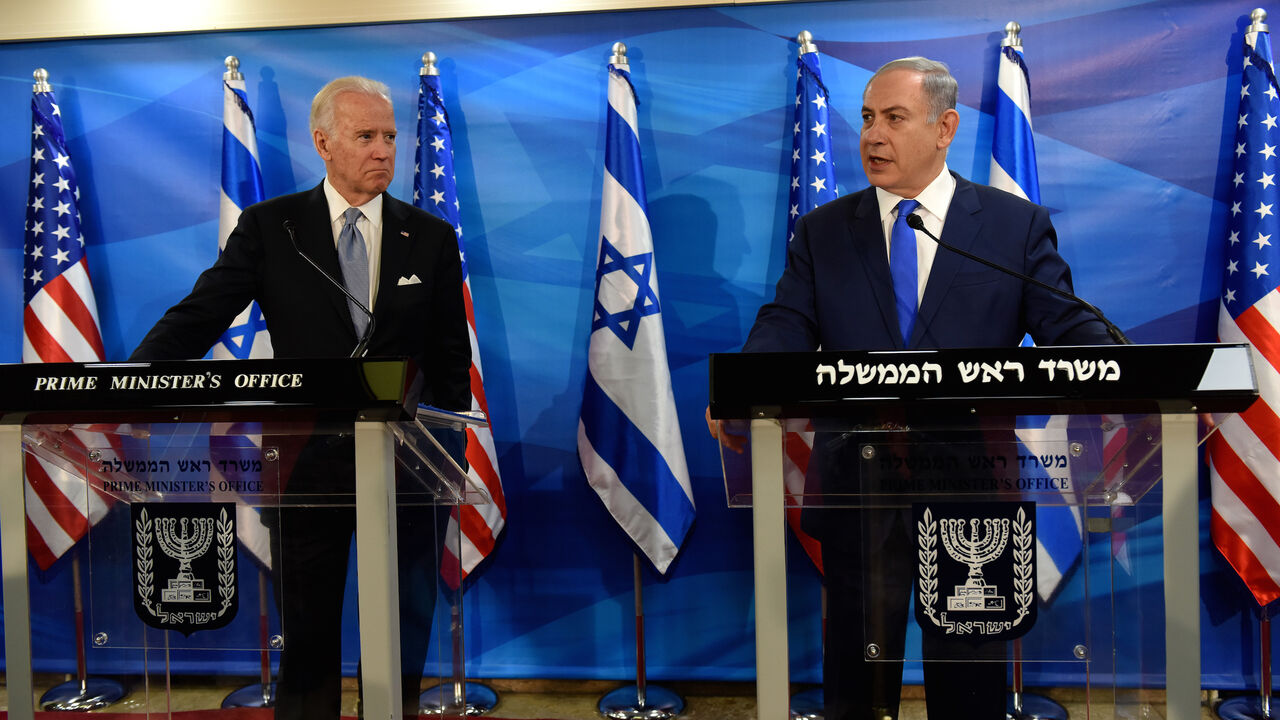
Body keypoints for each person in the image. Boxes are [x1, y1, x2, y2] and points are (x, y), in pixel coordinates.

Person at [709, 57, 1114, 720]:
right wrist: (745, 384)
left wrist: (1134, 380)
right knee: (856, 695)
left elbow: (1064, 321)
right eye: (867, 118)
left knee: (969, 699)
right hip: (857, 495)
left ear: (944, 127)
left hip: (970, 496)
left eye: (893, 118)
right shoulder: (823, 232)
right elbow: (787, 320)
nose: (872, 135)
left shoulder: (1013, 228)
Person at [130, 76, 470, 719]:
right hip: (306, 467)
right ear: (323, 142)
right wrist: (132, 382)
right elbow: (200, 316)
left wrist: (447, 451)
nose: (384, 150)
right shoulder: (272, 228)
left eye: (390, 137)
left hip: (408, 468)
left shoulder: (428, 237)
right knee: (308, 640)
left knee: (401, 632)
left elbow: (452, 357)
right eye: (365, 136)